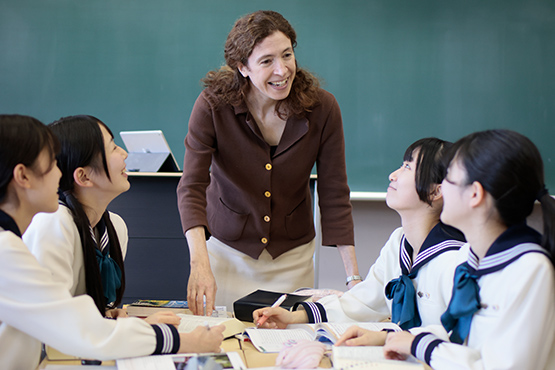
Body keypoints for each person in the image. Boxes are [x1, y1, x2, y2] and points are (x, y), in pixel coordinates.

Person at [0, 114, 224, 370]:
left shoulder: (113, 227)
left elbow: (76, 319)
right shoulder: (21, 242)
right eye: (51, 164)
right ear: (23, 176)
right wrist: (182, 341)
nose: (59, 174)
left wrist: (112, 322)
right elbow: (72, 327)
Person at [177, 10, 360, 315]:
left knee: (284, 348)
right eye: (266, 61)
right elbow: (192, 187)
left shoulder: (322, 108)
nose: (282, 69)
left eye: (287, 55)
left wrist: (354, 279)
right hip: (226, 255)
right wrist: (200, 264)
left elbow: (334, 193)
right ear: (242, 67)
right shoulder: (212, 106)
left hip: (292, 257)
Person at [255, 138, 466, 346]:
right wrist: (293, 316)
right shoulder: (398, 242)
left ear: (436, 191)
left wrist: (387, 337)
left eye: (407, 167)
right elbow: (363, 300)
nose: (392, 175)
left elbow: (458, 335)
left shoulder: (456, 259)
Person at [379, 130, 555, 369]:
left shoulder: (529, 269)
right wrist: (394, 338)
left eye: (448, 179)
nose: (440, 189)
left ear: (474, 194)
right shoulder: (471, 258)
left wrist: (420, 346)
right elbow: (457, 329)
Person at [24, 115, 171, 324]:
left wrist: (107, 315)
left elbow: (89, 313)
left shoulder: (115, 227)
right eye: (112, 148)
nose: (124, 154)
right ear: (84, 177)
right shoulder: (53, 224)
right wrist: (138, 327)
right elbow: (53, 322)